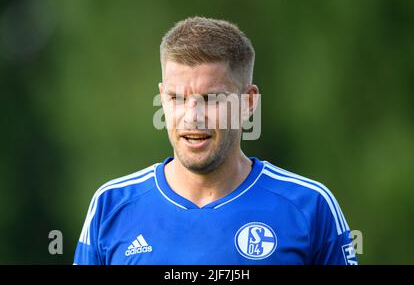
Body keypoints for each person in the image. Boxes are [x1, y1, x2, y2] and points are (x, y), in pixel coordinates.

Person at [74, 17, 357, 265]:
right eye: (177, 98)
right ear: (162, 98)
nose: (192, 117)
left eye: (211, 99)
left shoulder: (310, 207)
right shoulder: (111, 207)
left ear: (248, 102)